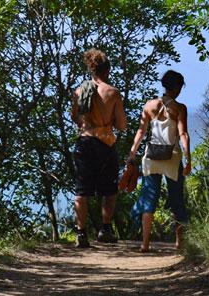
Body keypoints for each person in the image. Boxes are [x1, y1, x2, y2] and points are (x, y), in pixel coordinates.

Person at [129, 70, 191, 252]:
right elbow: (183, 134)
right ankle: (180, 243)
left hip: (151, 158)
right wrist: (188, 158)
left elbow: (141, 132)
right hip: (171, 158)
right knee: (176, 198)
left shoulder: (149, 106)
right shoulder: (180, 108)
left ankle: (145, 244)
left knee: (149, 198)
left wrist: (132, 153)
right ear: (177, 87)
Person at [71, 48, 127, 248]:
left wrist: (87, 125)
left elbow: (74, 117)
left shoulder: (79, 90)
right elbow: (121, 125)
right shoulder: (112, 93)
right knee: (109, 190)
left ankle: (81, 233)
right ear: (107, 71)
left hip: (84, 143)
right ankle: (105, 229)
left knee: (81, 190)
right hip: (106, 144)